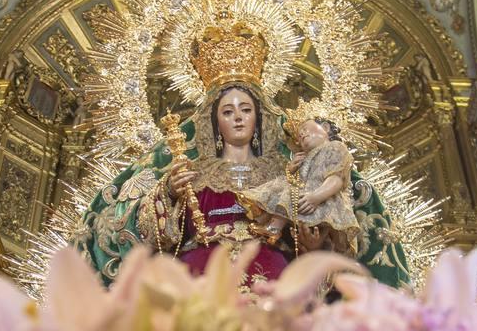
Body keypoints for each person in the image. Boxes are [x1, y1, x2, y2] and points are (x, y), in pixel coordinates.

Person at [143, 85, 294, 280]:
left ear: (258, 118)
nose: (238, 117)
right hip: (204, 274)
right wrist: (170, 192)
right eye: (228, 112)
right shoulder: (193, 173)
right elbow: (157, 237)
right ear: (215, 122)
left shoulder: (282, 171)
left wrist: (312, 239)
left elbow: (300, 229)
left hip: (271, 271)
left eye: (246, 110)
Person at [240, 118, 358, 255]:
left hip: (324, 199)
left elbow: (337, 178)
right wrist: (291, 169)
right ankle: (274, 227)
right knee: (286, 187)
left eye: (305, 129)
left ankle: (280, 229)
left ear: (325, 127)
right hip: (304, 198)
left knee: (290, 190)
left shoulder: (335, 147)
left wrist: (317, 197)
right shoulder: (304, 157)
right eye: (298, 138)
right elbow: (295, 179)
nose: (301, 135)